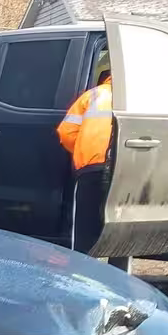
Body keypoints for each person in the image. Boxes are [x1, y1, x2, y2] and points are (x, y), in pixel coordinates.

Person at [57, 69, 113, 256]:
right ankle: (117, 277)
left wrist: (84, 148)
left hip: (91, 167)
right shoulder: (137, 97)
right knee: (116, 228)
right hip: (126, 166)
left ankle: (82, 272)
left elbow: (66, 132)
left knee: (83, 227)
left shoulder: (93, 95)